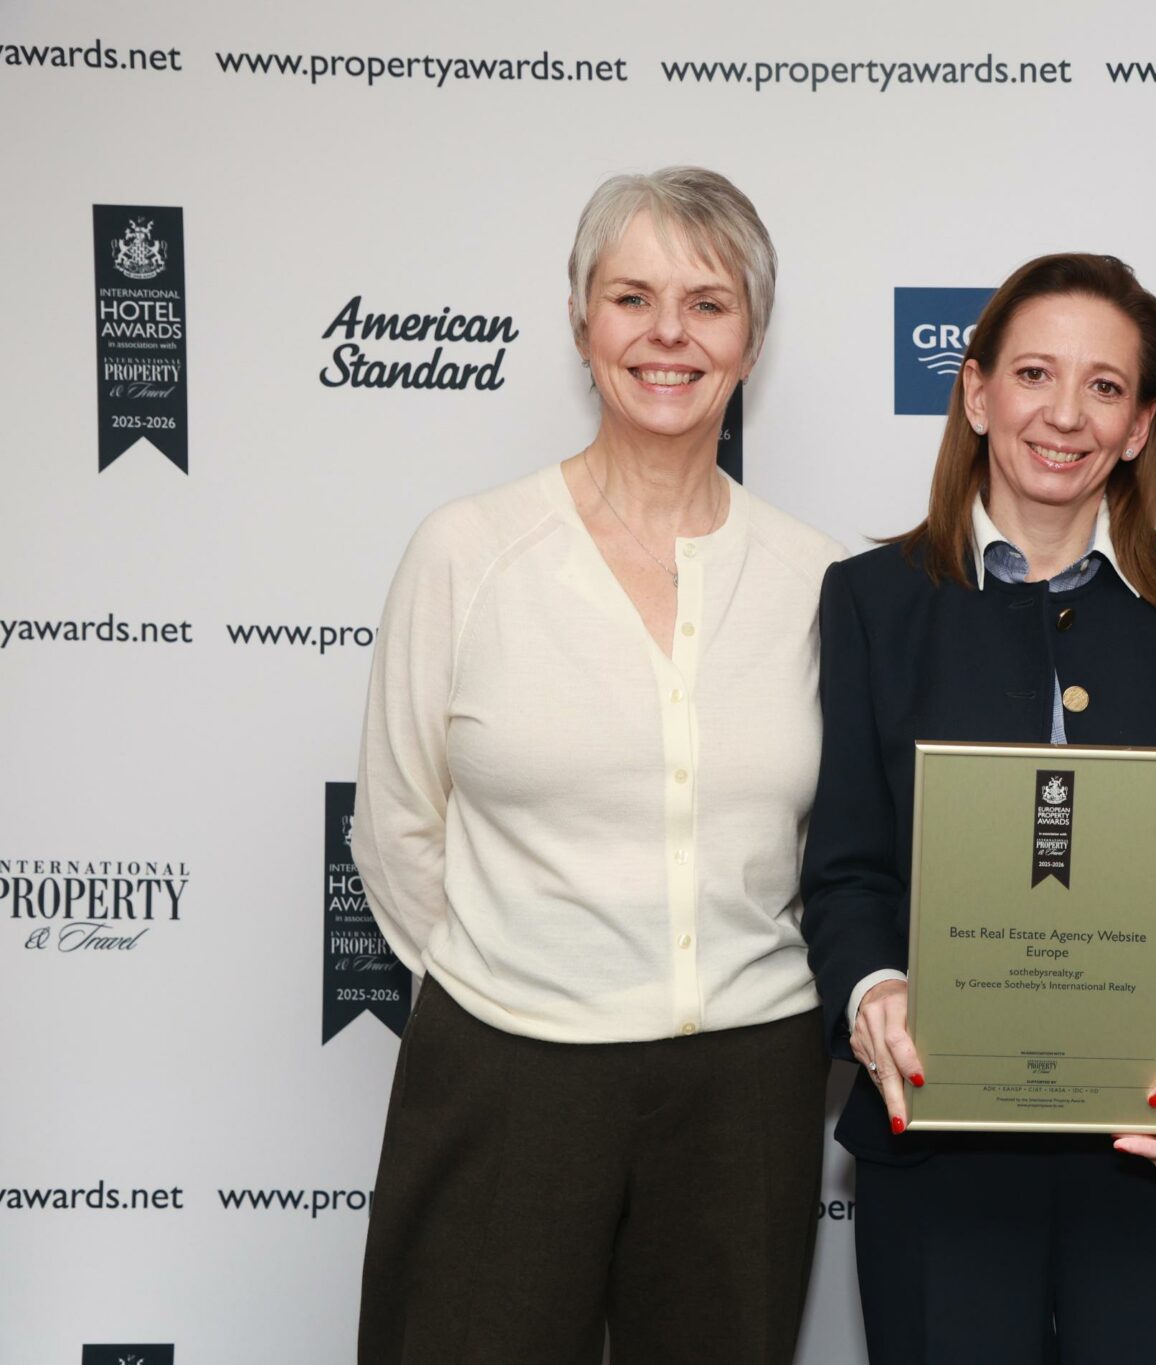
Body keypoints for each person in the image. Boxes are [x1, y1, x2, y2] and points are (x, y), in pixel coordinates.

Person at [349, 166, 842, 1365]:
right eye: (631, 298)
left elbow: (838, 847)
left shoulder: (819, 579)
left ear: (751, 340)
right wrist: (516, 980)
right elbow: (397, 822)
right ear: (581, 325)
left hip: (747, 1085)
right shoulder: (467, 552)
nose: (668, 333)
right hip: (506, 1071)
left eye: (707, 303)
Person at [799, 252, 1156, 1365]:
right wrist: (876, 992)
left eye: (1105, 387)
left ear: (1139, 428)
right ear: (976, 392)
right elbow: (844, 871)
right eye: (1034, 373)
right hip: (936, 1154)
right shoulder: (872, 601)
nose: (1065, 414)